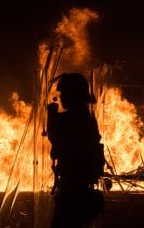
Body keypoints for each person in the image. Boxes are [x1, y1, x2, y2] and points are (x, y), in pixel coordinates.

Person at [47, 73, 105, 227]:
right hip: (77, 184)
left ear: (73, 95)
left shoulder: (76, 118)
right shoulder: (85, 117)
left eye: (64, 93)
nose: (62, 97)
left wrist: (52, 118)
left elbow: (57, 140)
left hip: (74, 186)